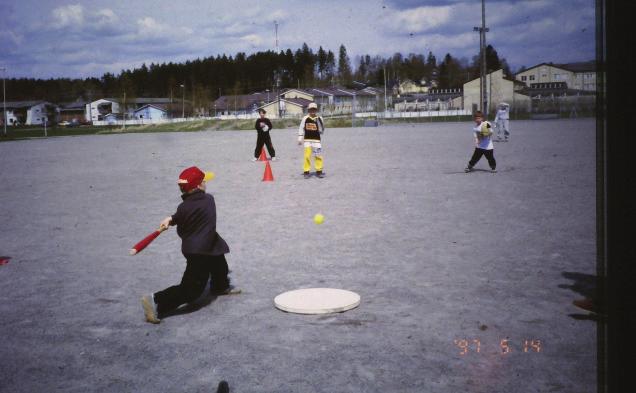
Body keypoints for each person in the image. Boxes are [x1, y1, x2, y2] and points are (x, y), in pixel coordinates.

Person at [141, 166, 239, 324]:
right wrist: (173, 219)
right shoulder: (208, 199)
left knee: (218, 261)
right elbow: (191, 211)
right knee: (191, 290)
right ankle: (156, 301)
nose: (205, 182)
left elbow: (182, 214)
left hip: (203, 244)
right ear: (199, 186)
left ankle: (219, 285)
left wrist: (170, 219)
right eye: (203, 181)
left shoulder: (184, 206)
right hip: (199, 251)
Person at [297, 102, 325, 178]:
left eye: (314, 109)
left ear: (316, 110)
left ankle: (319, 171)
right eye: (311, 109)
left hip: (317, 141)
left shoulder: (319, 118)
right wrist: (300, 138)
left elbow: (322, 130)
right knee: (307, 156)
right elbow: (301, 128)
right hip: (307, 141)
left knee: (318, 156)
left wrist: (319, 124)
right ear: (308, 110)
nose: (312, 111)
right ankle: (306, 171)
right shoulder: (305, 118)